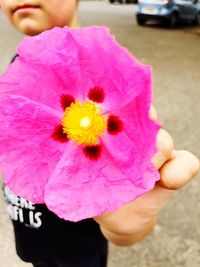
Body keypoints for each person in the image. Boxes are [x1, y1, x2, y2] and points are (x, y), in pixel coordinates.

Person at [0, 1, 199, 267]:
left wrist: (125, 227)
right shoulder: (23, 71)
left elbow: (128, 216)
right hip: (32, 243)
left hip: (81, 254)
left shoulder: (115, 69)